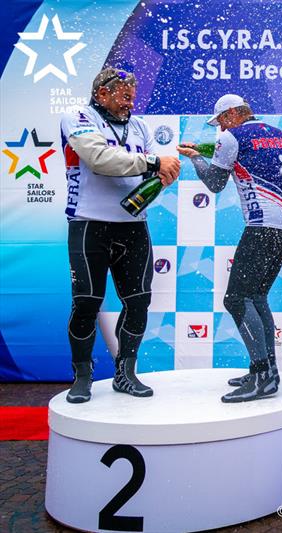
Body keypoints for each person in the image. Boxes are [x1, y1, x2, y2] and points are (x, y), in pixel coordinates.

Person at [60, 67, 181, 403]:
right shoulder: (78, 115)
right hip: (88, 224)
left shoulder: (139, 126)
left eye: (133, 95)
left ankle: (125, 374)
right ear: (102, 93)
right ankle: (81, 376)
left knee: (138, 301)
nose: (131, 101)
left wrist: (161, 176)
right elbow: (99, 159)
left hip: (133, 228)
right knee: (87, 303)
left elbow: (148, 169)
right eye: (123, 95)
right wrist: (155, 162)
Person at [177, 95, 282, 403]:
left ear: (232, 114)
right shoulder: (279, 135)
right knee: (256, 296)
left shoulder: (231, 137)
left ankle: (263, 375)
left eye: (220, 122)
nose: (219, 130)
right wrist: (206, 149)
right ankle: (267, 369)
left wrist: (195, 158)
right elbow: (244, 155)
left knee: (236, 299)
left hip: (262, 225)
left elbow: (215, 183)